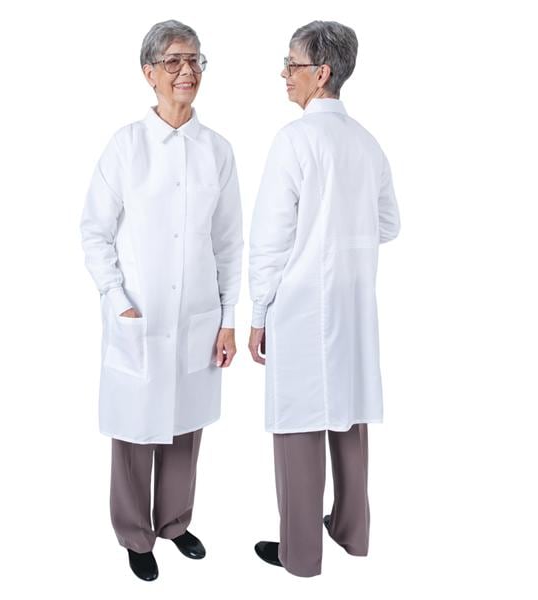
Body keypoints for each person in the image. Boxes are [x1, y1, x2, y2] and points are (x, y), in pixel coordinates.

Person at [80, 20, 243, 582]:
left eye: (195, 60)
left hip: (197, 315)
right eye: (173, 61)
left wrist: (227, 318)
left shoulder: (217, 151)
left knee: (185, 425)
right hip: (139, 315)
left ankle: (174, 523)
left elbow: (228, 243)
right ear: (149, 73)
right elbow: (95, 232)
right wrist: (116, 298)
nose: (186, 71)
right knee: (134, 429)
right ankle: (135, 534)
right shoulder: (126, 146)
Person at [248, 20, 400, 577]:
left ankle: (300, 553)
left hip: (300, 306)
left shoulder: (294, 141)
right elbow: (389, 224)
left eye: (292, 64)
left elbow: (269, 242)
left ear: (321, 73)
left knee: (298, 425)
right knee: (349, 417)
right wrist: (344, 234)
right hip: (354, 306)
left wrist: (258, 314)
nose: (284, 74)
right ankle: (352, 533)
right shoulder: (366, 142)